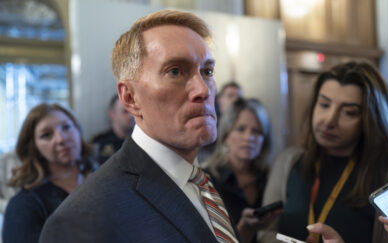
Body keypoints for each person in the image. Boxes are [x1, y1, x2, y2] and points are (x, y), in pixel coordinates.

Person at [40, 10, 241, 243]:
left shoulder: (203, 182)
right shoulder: (83, 219)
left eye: (207, 71)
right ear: (130, 97)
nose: (204, 90)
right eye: (175, 71)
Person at [259, 61, 388, 243]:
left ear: (371, 120)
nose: (329, 120)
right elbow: (264, 233)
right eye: (324, 105)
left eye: (349, 112)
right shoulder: (288, 161)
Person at [2, 104, 96, 243]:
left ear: (77, 130)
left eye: (66, 127)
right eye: (46, 135)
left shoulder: (106, 177)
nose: (61, 139)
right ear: (33, 147)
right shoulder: (24, 205)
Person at [203, 98, 278, 243]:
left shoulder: (270, 177)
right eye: (241, 129)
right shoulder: (206, 180)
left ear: (264, 140)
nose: (249, 138)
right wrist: (245, 227)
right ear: (225, 136)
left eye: (256, 131)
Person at [91, 94, 134, 165]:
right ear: (112, 115)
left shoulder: (141, 140)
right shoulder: (99, 143)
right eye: (125, 111)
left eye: (132, 111)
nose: (131, 116)